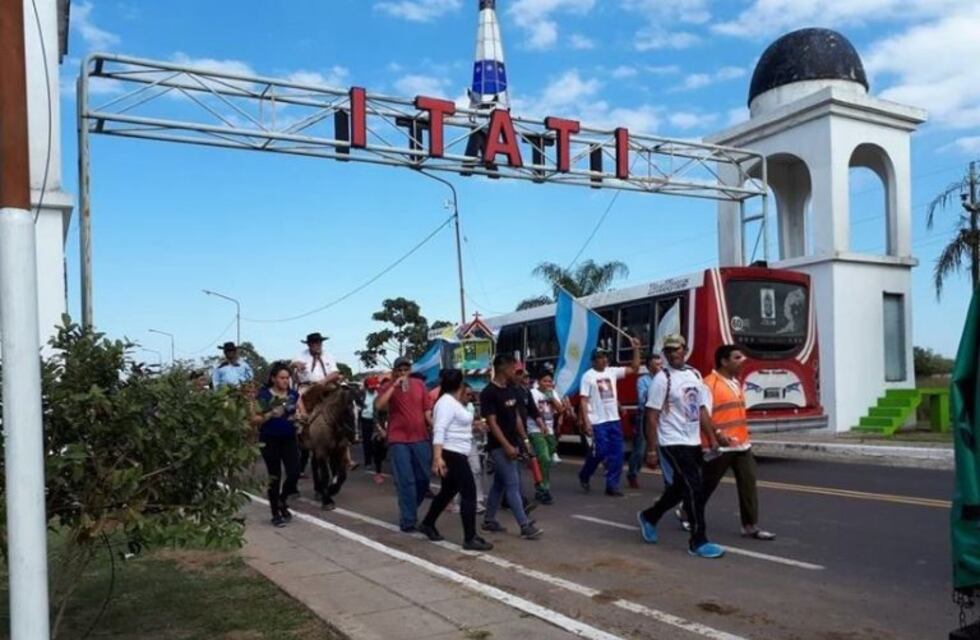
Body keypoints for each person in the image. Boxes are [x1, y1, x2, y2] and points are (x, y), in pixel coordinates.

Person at [636, 335, 725, 559]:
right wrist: (651, 449)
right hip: (672, 441)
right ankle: (698, 540)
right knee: (694, 488)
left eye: (677, 349)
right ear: (665, 354)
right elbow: (652, 416)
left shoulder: (694, 375)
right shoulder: (662, 378)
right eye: (669, 351)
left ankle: (649, 516)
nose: (674, 354)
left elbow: (702, 409)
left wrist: (712, 437)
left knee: (678, 489)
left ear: (685, 350)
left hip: (692, 441)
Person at [695, 345, 775, 540]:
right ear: (724, 361)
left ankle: (750, 525)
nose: (743, 360)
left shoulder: (735, 382)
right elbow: (702, 413)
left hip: (742, 444)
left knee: (748, 483)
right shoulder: (709, 384)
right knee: (707, 484)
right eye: (737, 357)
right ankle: (688, 510)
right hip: (720, 445)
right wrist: (717, 434)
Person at [418, 369, 494, 551]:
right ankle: (470, 537)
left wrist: (475, 426)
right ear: (460, 384)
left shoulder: (451, 402)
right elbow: (439, 430)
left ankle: (428, 523)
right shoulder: (446, 403)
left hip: (457, 452)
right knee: (469, 493)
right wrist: (437, 458)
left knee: (447, 492)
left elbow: (454, 426)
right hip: (452, 453)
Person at [480, 354, 543, 540]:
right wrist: (506, 446)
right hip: (498, 447)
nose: (514, 371)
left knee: (499, 485)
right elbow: (492, 423)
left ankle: (489, 520)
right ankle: (524, 525)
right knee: (512, 484)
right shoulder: (489, 393)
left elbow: (516, 418)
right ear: (502, 368)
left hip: (513, 444)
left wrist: (525, 442)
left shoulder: (510, 390)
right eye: (512, 367)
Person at [375, 356, 434, 532]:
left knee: (423, 478)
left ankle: (409, 507)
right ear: (395, 371)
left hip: (420, 438)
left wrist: (435, 428)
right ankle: (408, 519)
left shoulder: (419, 385)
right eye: (399, 370)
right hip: (399, 439)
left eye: (405, 369)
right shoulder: (387, 387)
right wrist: (394, 385)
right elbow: (379, 406)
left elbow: (427, 411)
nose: (403, 373)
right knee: (405, 480)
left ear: (410, 370)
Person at [578, 338, 642, 497]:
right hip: (598, 421)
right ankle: (584, 474)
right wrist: (586, 422)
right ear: (593, 361)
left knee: (617, 455)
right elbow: (584, 400)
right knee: (600, 452)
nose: (604, 359)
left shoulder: (612, 371)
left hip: (613, 420)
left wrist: (636, 349)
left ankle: (612, 486)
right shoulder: (588, 376)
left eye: (605, 356)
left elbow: (634, 368)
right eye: (600, 357)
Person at [251, 363, 302, 527]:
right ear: (273, 379)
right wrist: (271, 413)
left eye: (287, 378)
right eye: (282, 378)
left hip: (289, 438)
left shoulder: (293, 395)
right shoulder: (264, 395)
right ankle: (275, 514)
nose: (285, 381)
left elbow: (301, 413)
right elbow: (255, 419)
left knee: (294, 473)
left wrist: (299, 419)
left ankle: (282, 500)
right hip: (270, 439)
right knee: (275, 476)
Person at [293, 332, 343, 476]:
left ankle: (350, 432)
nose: (317, 345)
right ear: (308, 344)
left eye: (319, 342)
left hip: (326, 384)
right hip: (307, 386)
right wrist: (296, 365)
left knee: (346, 398)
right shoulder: (302, 355)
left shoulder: (328, 355)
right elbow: (293, 363)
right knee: (298, 398)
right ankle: (301, 426)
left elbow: (335, 372)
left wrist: (325, 381)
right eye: (313, 343)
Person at [627, 353, 663, 489]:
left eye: (660, 364)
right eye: (656, 365)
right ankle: (632, 473)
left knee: (663, 448)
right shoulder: (643, 380)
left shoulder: (666, 379)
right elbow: (643, 399)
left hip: (661, 416)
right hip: (644, 415)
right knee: (640, 449)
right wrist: (656, 386)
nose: (659, 367)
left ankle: (669, 481)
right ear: (649, 367)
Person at [529, 372, 562, 505]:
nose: (547, 384)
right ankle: (543, 489)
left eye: (549, 381)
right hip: (535, 430)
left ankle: (541, 485)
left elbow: (561, 409)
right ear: (538, 381)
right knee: (545, 458)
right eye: (545, 381)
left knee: (546, 461)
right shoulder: (532, 393)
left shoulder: (552, 393)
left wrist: (551, 398)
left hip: (550, 431)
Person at [360, 377, 384, 482]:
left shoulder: (378, 394)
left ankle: (377, 459)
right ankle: (368, 461)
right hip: (366, 420)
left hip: (376, 421)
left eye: (375, 386)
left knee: (377, 442)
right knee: (367, 441)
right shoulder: (362, 394)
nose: (373, 388)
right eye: (371, 386)